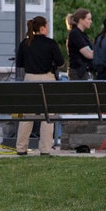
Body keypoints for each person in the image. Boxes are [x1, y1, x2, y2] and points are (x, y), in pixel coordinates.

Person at [15, 16, 64, 156]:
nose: (47, 29)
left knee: (28, 115)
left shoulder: (25, 43)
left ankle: (21, 147)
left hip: (29, 78)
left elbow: (19, 64)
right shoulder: (50, 43)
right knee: (48, 115)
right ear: (42, 27)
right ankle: (45, 149)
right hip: (47, 78)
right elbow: (60, 62)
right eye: (46, 26)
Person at [66, 8, 94, 80]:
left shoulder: (82, 35)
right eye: (88, 19)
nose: (91, 21)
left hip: (83, 71)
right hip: (78, 72)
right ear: (81, 20)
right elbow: (88, 54)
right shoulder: (75, 34)